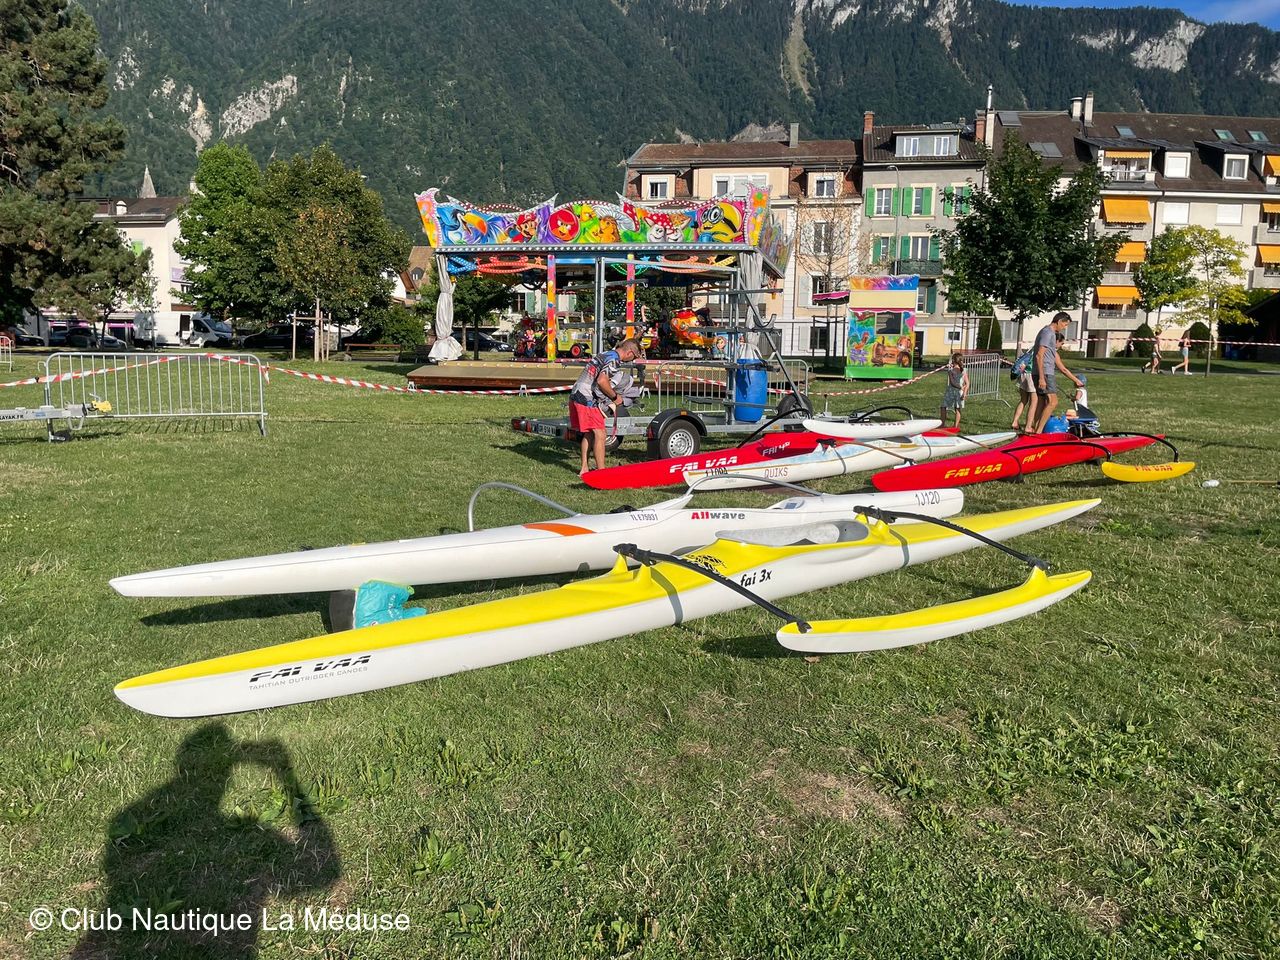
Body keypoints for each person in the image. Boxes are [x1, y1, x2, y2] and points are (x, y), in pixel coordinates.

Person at [570, 338, 645, 476]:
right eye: (634, 357)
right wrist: (615, 397)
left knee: (589, 433)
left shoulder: (606, 354)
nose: (632, 360)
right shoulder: (614, 360)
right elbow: (602, 381)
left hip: (577, 393)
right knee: (601, 434)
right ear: (629, 353)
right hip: (587, 397)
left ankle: (584, 468)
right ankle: (602, 472)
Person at [1031, 312, 1084, 435]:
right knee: (1053, 402)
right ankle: (1038, 432)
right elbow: (1039, 355)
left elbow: (1062, 368)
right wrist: (1042, 378)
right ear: (1059, 321)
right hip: (1045, 372)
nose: (1064, 328)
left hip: (1042, 372)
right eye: (1065, 325)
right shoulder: (1048, 333)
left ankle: (1036, 430)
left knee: (1042, 402)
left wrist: (1075, 380)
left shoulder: (1047, 333)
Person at [1011, 347, 1037, 434]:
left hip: (1023, 374)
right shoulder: (1043, 347)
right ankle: (1028, 426)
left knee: (1023, 400)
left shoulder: (1032, 348)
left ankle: (1015, 422)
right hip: (1032, 375)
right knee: (1034, 402)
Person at [940, 353, 969, 430]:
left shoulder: (957, 371)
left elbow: (954, 383)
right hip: (954, 392)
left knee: (954, 408)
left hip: (954, 392)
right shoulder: (954, 371)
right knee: (947, 407)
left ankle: (951, 426)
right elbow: (965, 383)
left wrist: (964, 392)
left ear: (954, 360)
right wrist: (963, 390)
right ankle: (947, 425)